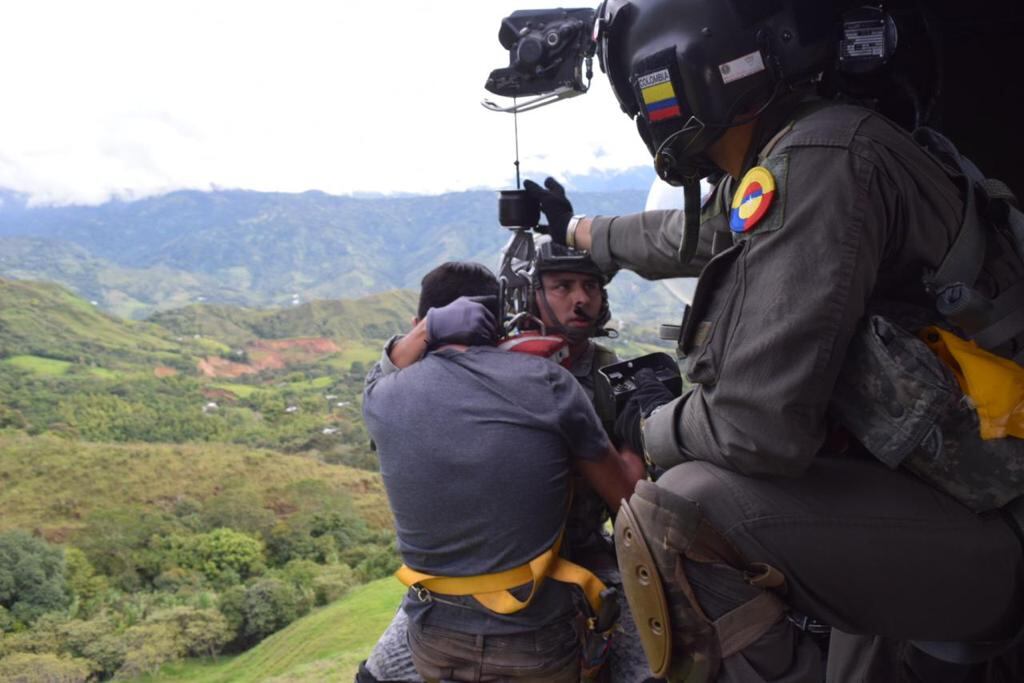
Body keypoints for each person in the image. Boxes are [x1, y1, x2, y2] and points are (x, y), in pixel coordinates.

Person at [517, 1, 1024, 681]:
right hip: (960, 487)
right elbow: (695, 232)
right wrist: (579, 231)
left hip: (996, 514)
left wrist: (642, 427)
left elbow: (758, 428)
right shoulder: (815, 147)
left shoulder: (820, 158)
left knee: (678, 505)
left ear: (675, 80)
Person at [362, 260, 643, 682]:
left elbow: (379, 373)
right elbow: (626, 497)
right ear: (501, 323)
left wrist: (423, 332)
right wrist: (634, 440)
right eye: (562, 287)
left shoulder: (381, 398)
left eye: (588, 287)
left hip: (435, 633)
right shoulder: (545, 380)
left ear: (422, 325)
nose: (579, 299)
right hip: (539, 633)